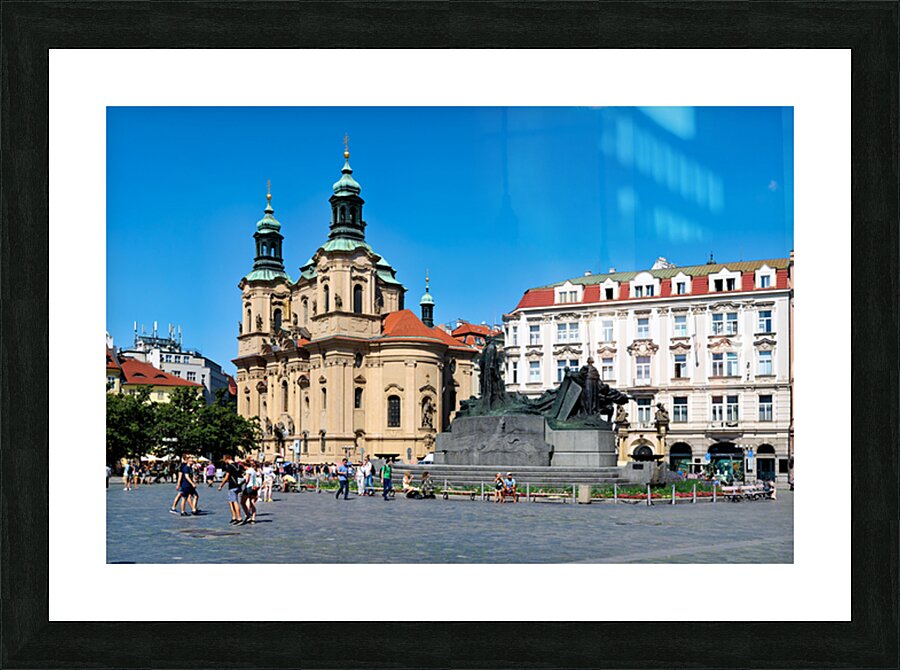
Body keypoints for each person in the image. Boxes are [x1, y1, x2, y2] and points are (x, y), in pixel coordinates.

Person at [217, 455, 245, 525]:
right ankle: (234, 517)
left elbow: (226, 477)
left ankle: (239, 518)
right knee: (230, 502)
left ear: (227, 459)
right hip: (238, 485)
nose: (225, 462)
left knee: (234, 502)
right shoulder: (238, 465)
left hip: (232, 486)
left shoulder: (230, 466)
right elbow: (243, 474)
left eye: (225, 461)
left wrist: (221, 485)